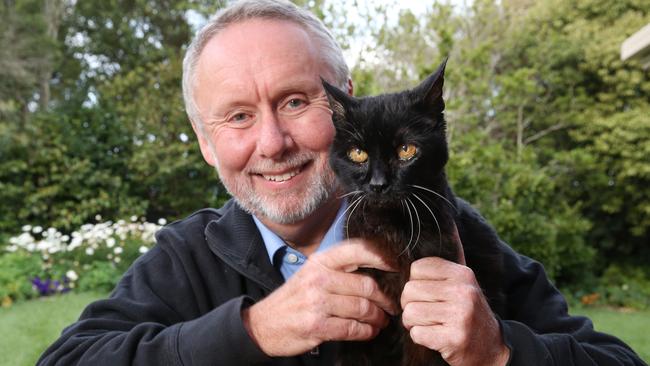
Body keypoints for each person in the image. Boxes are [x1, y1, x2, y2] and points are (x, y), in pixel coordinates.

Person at [38, 0, 646, 365]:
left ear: (346, 106)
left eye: (296, 101)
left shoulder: (453, 233)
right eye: (238, 116)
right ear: (205, 141)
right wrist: (252, 330)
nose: (272, 142)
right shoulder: (189, 258)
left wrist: (500, 351)